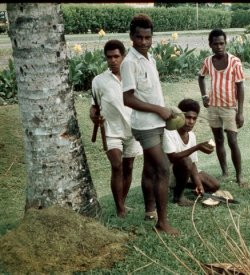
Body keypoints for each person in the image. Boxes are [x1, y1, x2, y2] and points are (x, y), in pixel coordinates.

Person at [121, 14, 178, 235]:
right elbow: (128, 99)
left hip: (158, 122)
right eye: (139, 37)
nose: (143, 42)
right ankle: (162, 223)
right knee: (163, 168)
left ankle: (149, 210)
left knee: (150, 168)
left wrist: (166, 109)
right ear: (131, 37)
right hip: (144, 126)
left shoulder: (149, 58)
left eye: (147, 37)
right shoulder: (129, 63)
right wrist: (158, 110)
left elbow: (150, 93)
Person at [90, 39, 143, 218]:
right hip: (111, 132)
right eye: (109, 57)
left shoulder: (133, 76)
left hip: (133, 130)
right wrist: (94, 117)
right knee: (117, 166)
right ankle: (120, 209)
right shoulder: (99, 81)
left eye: (116, 56)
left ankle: (123, 201)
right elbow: (94, 107)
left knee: (128, 167)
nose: (112, 60)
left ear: (124, 56)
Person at [198, 28, 246, 187]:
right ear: (210, 45)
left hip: (230, 107)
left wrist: (240, 112)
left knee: (232, 141)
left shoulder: (235, 62)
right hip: (213, 108)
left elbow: (240, 87)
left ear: (225, 43)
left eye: (222, 43)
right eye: (215, 44)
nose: (219, 46)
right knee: (218, 140)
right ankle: (225, 171)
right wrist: (205, 96)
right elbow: (201, 77)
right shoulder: (208, 61)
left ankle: (239, 176)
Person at [163, 98, 220, 206]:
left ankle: (182, 185)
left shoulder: (192, 136)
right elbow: (173, 158)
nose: (191, 122)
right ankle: (178, 197)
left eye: (194, 118)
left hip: (184, 170)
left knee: (214, 185)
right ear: (180, 117)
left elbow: (193, 163)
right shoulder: (169, 131)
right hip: (168, 172)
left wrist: (199, 184)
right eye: (188, 117)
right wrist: (197, 147)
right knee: (186, 161)